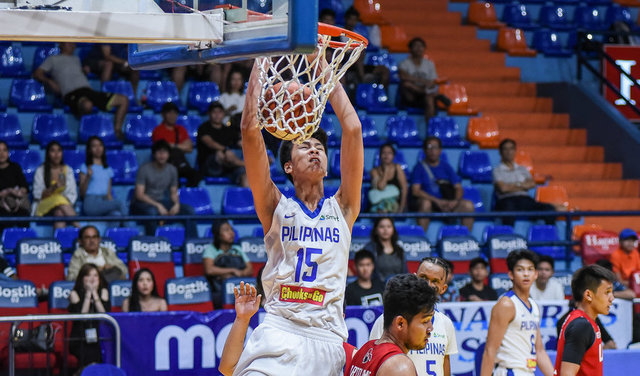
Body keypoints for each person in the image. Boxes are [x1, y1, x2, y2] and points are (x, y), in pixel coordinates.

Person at [232, 58, 364, 375]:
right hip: (279, 329)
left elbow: (354, 128)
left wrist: (323, 69)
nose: (315, 150)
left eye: (319, 146)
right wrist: (261, 62)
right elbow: (249, 130)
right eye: (305, 146)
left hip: (328, 338)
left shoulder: (343, 207)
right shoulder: (276, 206)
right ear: (288, 167)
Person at [369, 257, 458, 376]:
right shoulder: (387, 320)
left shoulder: (446, 323)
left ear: (443, 288)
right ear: (415, 278)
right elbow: (374, 363)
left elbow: (445, 367)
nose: (428, 285)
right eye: (424, 278)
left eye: (435, 281)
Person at [481, 250, 554, 376]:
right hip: (509, 371)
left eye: (530, 269)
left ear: (535, 274)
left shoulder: (534, 305)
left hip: (528, 371)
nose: (526, 274)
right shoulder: (506, 304)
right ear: (511, 274)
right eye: (520, 270)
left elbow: (540, 351)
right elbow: (490, 350)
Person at [33, 42, 129, 138]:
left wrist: (84, 71)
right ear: (61, 44)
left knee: (123, 100)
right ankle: (86, 133)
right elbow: (37, 73)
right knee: (87, 105)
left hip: (88, 91)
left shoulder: (76, 59)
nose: (73, 45)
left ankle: (117, 130)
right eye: (69, 44)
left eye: (73, 44)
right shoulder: (52, 59)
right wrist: (49, 82)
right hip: (71, 93)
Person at [349, 274, 438, 376]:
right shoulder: (399, 367)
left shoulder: (364, 351)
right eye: (425, 321)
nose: (430, 328)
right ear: (400, 323)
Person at [554, 264, 615, 376]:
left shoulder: (585, 321)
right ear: (588, 295)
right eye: (607, 292)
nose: (612, 298)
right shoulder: (581, 325)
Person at [130, 140, 197, 237]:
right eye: (159, 152)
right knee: (152, 212)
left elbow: (173, 192)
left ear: (169, 154)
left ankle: (192, 244)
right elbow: (139, 195)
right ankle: (152, 243)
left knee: (189, 210)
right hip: (143, 203)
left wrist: (176, 204)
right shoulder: (144, 169)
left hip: (162, 202)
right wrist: (158, 206)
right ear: (154, 154)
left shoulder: (172, 170)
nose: (162, 155)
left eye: (165, 152)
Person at [411, 136, 474, 232]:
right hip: (431, 203)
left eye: (435, 147)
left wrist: (455, 202)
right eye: (429, 147)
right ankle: (421, 239)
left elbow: (458, 188)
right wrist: (436, 201)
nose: (432, 150)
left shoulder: (446, 167)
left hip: (447, 203)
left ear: (440, 150)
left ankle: (465, 239)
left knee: (468, 205)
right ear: (424, 150)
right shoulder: (418, 168)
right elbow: (415, 191)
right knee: (425, 203)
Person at [493, 139, 560, 226]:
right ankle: (509, 237)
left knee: (549, 209)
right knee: (508, 210)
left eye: (511, 149)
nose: (509, 152)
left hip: (525, 200)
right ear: (500, 152)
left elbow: (532, 184)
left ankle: (550, 236)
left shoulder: (522, 169)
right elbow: (503, 189)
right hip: (506, 200)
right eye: (505, 149)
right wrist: (522, 184)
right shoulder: (497, 170)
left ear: (515, 151)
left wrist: (511, 186)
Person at [68, 263, 111, 368]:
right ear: (82, 278)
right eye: (88, 275)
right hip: (80, 337)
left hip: (99, 336)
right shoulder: (74, 294)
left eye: (95, 275)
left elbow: (103, 314)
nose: (92, 278)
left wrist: (95, 294)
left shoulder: (104, 292)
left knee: (99, 349)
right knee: (88, 351)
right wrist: (88, 293)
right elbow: (83, 317)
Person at [203, 220, 253, 308]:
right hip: (220, 289)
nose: (231, 233)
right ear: (218, 234)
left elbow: (250, 268)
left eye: (231, 229)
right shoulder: (210, 250)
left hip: (240, 286)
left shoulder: (238, 249)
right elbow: (209, 270)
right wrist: (233, 271)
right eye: (226, 230)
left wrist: (241, 274)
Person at [196, 102, 247, 186]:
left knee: (244, 174)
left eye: (219, 112)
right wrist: (225, 150)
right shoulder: (203, 128)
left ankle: (247, 197)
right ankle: (247, 165)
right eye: (214, 112)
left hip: (228, 167)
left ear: (223, 114)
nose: (217, 115)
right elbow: (210, 143)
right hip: (210, 167)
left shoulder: (228, 130)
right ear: (209, 114)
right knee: (220, 154)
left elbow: (241, 143)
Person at [152, 102, 202, 187]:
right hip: (167, 164)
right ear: (163, 115)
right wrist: (181, 145)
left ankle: (186, 196)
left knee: (196, 175)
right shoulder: (158, 130)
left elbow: (190, 148)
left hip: (181, 163)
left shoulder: (181, 129)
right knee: (174, 178)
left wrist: (173, 145)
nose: (172, 115)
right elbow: (163, 148)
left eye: (175, 113)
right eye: (169, 113)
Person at [32, 141, 78, 229]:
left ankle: (59, 241)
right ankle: (79, 228)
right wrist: (54, 188)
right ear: (48, 154)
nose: (56, 154)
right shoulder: (40, 170)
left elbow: (72, 194)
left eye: (59, 151)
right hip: (43, 206)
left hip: (64, 206)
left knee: (59, 213)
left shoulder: (68, 170)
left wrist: (61, 201)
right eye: (53, 151)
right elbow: (37, 194)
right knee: (58, 198)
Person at [79, 136, 126, 217]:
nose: (98, 148)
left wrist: (112, 203)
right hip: (91, 202)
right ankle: (131, 229)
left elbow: (108, 194)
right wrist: (88, 177)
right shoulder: (85, 167)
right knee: (120, 203)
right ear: (89, 149)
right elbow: (82, 194)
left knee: (116, 215)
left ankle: (114, 230)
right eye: (94, 146)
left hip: (104, 200)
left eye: (100, 145)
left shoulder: (108, 170)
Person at [398, 37, 441, 124]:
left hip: (424, 95)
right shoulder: (404, 63)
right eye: (416, 46)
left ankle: (430, 129)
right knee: (407, 84)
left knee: (429, 99)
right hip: (410, 96)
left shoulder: (429, 64)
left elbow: (432, 82)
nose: (418, 48)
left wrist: (415, 80)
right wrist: (423, 82)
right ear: (410, 49)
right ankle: (437, 96)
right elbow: (403, 77)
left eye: (421, 46)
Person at [363, 217, 408, 281]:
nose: (385, 229)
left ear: (393, 229)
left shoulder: (400, 250)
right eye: (382, 227)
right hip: (376, 288)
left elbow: (405, 273)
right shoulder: (369, 249)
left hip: (398, 288)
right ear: (376, 230)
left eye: (389, 226)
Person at [369, 143, 408, 213]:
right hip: (379, 203)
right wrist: (386, 171)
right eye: (384, 153)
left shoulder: (398, 168)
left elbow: (404, 189)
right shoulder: (374, 171)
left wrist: (401, 208)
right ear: (380, 155)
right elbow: (381, 187)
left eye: (389, 153)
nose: (386, 155)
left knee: (389, 207)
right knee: (382, 208)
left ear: (393, 155)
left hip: (395, 203)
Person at [0, 140, 30, 231]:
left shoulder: (15, 167)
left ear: (8, 153)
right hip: (1, 204)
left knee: (23, 214)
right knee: (4, 216)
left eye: (4, 150)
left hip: (16, 202)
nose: (2, 153)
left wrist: (14, 192)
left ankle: (25, 242)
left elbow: (24, 188)